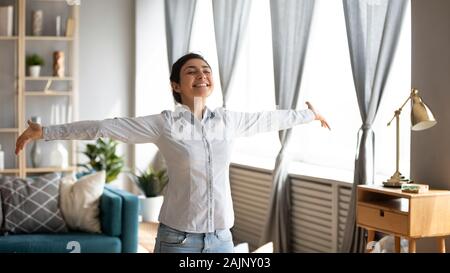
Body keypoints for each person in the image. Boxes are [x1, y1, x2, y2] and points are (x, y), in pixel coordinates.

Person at [15, 53, 330, 253]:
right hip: (179, 240)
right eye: (192, 71)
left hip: (221, 238)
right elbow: (104, 127)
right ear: (176, 85)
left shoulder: (229, 120)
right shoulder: (164, 124)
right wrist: (45, 132)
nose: (202, 75)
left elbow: (269, 119)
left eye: (206, 70)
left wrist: (308, 115)